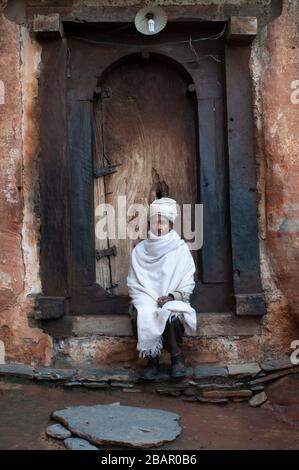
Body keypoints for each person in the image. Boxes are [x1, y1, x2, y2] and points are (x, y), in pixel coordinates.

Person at [126, 197, 197, 380]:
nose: (158, 225)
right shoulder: (140, 251)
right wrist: (147, 299)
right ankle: (152, 361)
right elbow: (134, 283)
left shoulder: (180, 250)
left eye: (163, 221)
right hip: (147, 298)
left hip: (172, 299)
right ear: (149, 223)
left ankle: (176, 359)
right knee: (141, 313)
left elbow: (187, 282)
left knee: (172, 315)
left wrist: (172, 297)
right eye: (155, 221)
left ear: (170, 225)